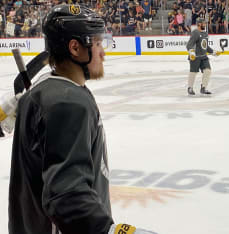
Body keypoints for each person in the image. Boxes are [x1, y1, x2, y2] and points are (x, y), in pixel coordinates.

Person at [8, 4, 156, 234]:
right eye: (98, 43)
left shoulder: (43, 92)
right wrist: (109, 231)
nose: (103, 52)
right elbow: (66, 196)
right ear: (75, 48)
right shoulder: (67, 103)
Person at [186, 18, 220, 95]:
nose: (205, 24)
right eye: (203, 23)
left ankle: (203, 88)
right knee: (193, 72)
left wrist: (213, 52)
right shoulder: (195, 33)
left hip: (204, 57)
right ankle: (190, 88)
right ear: (199, 24)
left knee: (207, 71)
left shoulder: (205, 34)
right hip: (195, 57)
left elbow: (205, 46)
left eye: (205, 23)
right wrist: (191, 53)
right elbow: (189, 45)